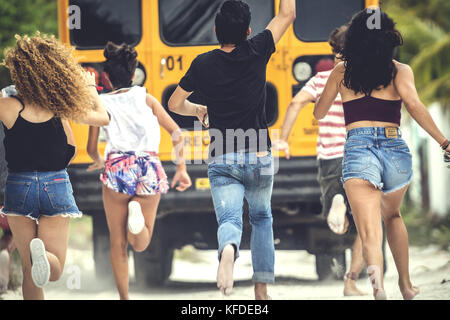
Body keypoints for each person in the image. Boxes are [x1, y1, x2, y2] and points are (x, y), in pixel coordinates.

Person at [314, 8, 450, 300]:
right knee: (393, 217)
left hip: (359, 148)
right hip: (393, 148)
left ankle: (378, 289)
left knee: (370, 230)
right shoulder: (400, 71)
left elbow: (320, 111)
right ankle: (406, 285)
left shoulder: (341, 72)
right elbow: (414, 105)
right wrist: (444, 142)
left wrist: (332, 94)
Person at [168, 0, 296, 299]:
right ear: (248, 31)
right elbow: (287, 13)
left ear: (215, 31)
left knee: (229, 220)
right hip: (259, 155)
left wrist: (199, 109)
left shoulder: (202, 63)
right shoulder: (258, 48)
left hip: (222, 155)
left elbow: (174, 104)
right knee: (262, 218)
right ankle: (261, 290)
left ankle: (228, 250)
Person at [0, 33, 110, 300]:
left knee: (29, 270)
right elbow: (103, 118)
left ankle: (37, 256)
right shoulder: (61, 105)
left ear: (19, 70)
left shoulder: (7, 106)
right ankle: (45, 256)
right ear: (54, 69)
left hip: (18, 186)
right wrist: (89, 87)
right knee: (53, 269)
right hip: (56, 184)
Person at [86, 42, 192, 300]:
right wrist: (181, 169)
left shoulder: (101, 103)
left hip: (117, 167)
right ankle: (138, 221)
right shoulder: (147, 98)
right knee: (140, 242)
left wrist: (99, 159)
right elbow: (177, 133)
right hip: (148, 166)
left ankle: (124, 298)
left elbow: (91, 148)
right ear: (134, 75)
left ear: (107, 78)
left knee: (118, 243)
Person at [273, 25, 366, 296]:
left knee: (339, 215)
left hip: (330, 159)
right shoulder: (368, 78)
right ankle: (351, 282)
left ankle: (337, 200)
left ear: (333, 50)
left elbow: (294, 104)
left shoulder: (322, 78)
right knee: (366, 225)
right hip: (360, 154)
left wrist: (283, 139)